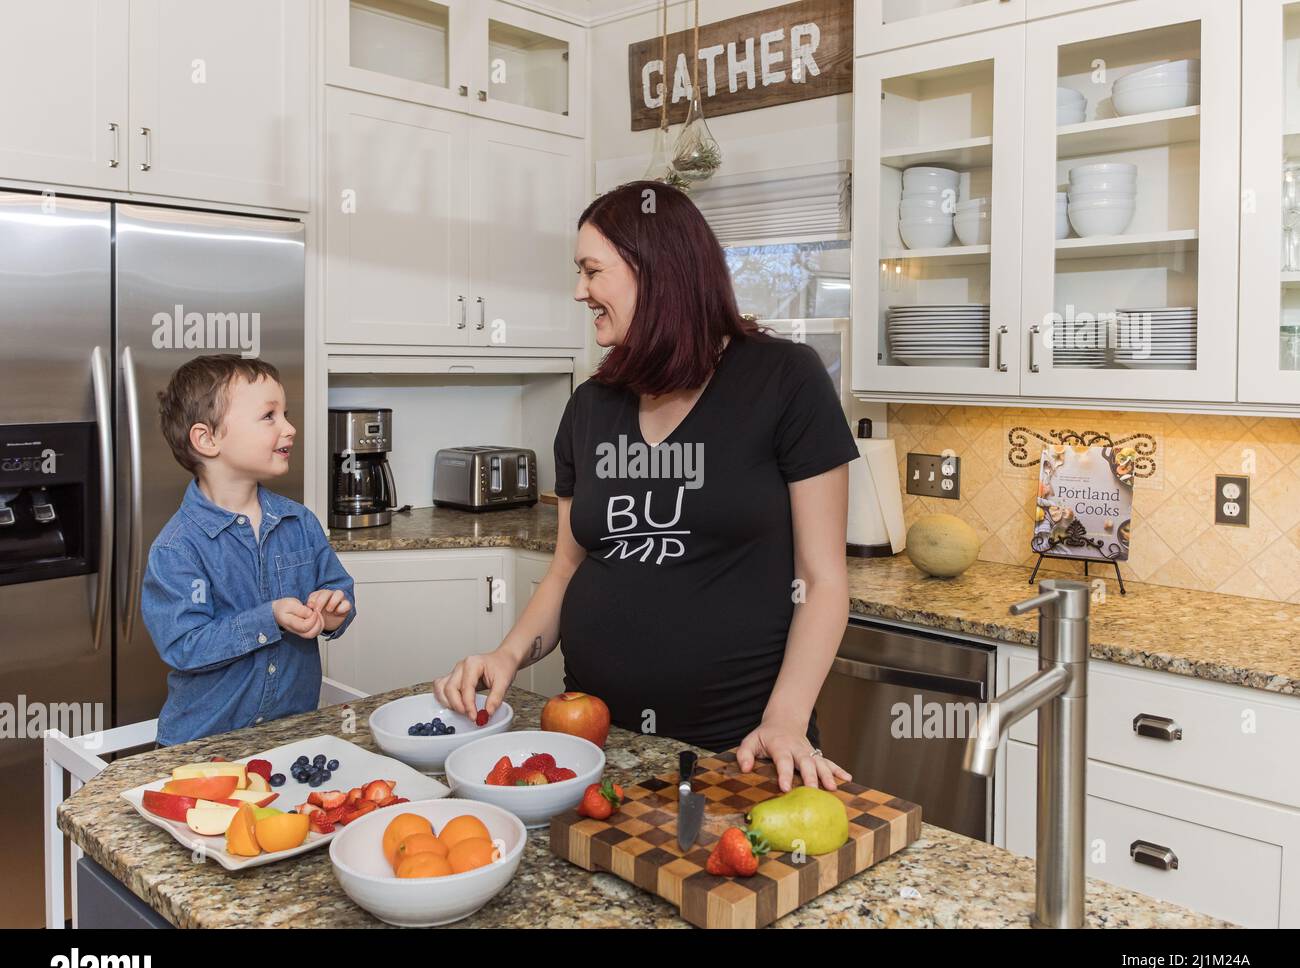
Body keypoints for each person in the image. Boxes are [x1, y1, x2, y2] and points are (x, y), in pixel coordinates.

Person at [433, 181, 860, 792]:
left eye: (591, 271)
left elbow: (823, 581)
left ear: (654, 271)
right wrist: (506, 655)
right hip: (591, 744)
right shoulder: (590, 407)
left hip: (740, 747)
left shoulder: (784, 380)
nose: (579, 291)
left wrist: (785, 722)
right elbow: (564, 571)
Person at [141, 355, 355, 746]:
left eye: (285, 414)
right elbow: (184, 646)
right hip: (202, 751)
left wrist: (334, 610)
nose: (289, 428)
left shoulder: (299, 523)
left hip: (289, 739)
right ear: (207, 440)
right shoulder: (177, 549)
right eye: (269, 416)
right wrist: (268, 618)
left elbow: (339, 589)